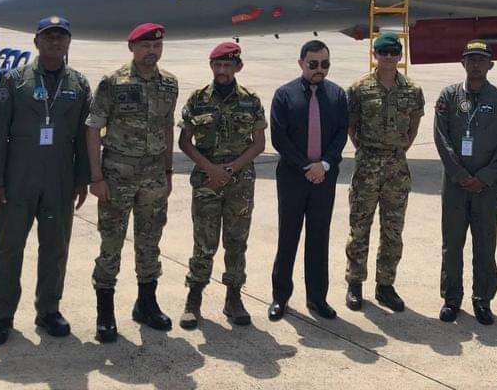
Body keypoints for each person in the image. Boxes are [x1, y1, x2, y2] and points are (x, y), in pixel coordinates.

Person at [0, 16, 92, 346]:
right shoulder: (16, 81)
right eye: (49, 37)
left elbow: (83, 136)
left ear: (69, 43)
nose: (55, 43)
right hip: (18, 178)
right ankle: (1, 316)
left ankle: (48, 310)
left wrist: (81, 179)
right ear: (37, 42)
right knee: (9, 248)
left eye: (61, 37)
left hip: (59, 178)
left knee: (56, 248)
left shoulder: (79, 84)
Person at [86, 23, 177, 342]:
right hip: (117, 176)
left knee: (150, 242)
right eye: (145, 46)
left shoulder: (169, 84)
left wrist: (168, 173)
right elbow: (94, 129)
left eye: (157, 45)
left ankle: (146, 304)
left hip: (153, 176)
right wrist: (95, 177)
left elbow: (168, 129)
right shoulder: (113, 82)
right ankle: (105, 313)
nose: (152, 51)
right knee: (111, 243)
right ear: (132, 47)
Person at [179, 41, 266, 328]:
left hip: (239, 182)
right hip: (207, 181)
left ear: (238, 67)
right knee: (203, 243)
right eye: (217, 65)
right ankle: (194, 300)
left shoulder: (251, 100)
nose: (221, 70)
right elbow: (184, 141)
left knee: (236, 242)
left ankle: (234, 298)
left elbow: (259, 144)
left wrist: (229, 169)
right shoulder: (197, 99)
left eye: (227, 65)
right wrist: (211, 169)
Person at [433, 40, 497, 325]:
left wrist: (485, 176)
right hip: (455, 185)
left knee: (484, 244)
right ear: (463, 63)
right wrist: (459, 174)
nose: (476, 64)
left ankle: (482, 299)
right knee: (452, 244)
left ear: (490, 64)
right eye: (471, 59)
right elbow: (441, 137)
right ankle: (451, 298)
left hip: (486, 187)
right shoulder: (449, 95)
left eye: (482, 59)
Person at [344, 32, 425, 313]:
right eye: (383, 52)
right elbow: (351, 126)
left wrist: (398, 148)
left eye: (394, 52)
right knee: (359, 228)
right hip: (367, 165)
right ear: (375, 55)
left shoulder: (412, 90)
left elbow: (413, 126)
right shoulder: (359, 88)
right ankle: (355, 283)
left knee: (392, 230)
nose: (389, 57)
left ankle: (385, 285)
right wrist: (368, 150)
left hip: (396, 167)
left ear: (400, 56)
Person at [268, 40, 348, 321]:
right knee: (287, 237)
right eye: (313, 64)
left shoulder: (338, 95)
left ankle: (317, 299)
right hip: (293, 177)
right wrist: (306, 166)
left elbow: (341, 134)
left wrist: (324, 164)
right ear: (301, 63)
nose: (319, 70)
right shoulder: (284, 95)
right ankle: (280, 298)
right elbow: (280, 138)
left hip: (324, 178)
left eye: (325, 64)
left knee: (319, 238)